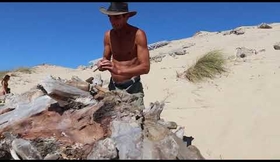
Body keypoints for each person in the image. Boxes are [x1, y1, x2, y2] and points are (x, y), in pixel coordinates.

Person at [97, 2, 150, 108]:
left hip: (133, 88)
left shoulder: (138, 34)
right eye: (110, 18)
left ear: (126, 17)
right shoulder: (108, 35)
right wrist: (101, 65)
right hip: (113, 87)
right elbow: (105, 59)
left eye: (116, 17)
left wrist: (120, 71)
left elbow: (145, 67)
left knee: (137, 122)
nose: (112, 22)